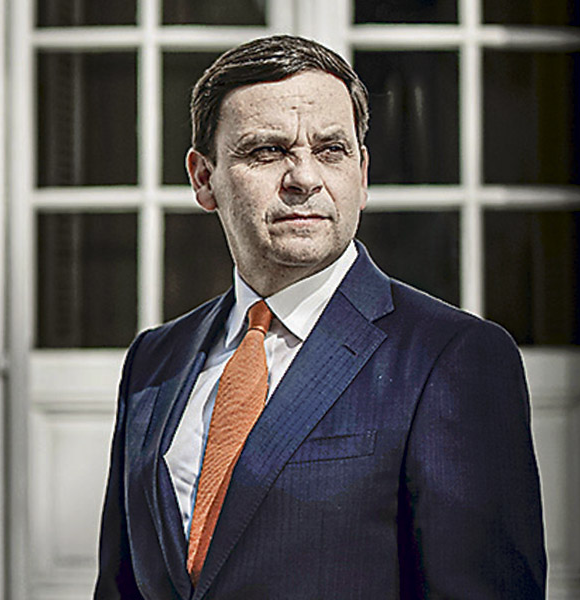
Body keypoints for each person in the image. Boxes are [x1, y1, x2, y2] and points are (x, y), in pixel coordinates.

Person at [94, 34, 546, 600]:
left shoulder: (450, 358)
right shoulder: (154, 360)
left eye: (331, 150)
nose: (304, 178)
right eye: (267, 151)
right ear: (203, 178)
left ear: (363, 174)